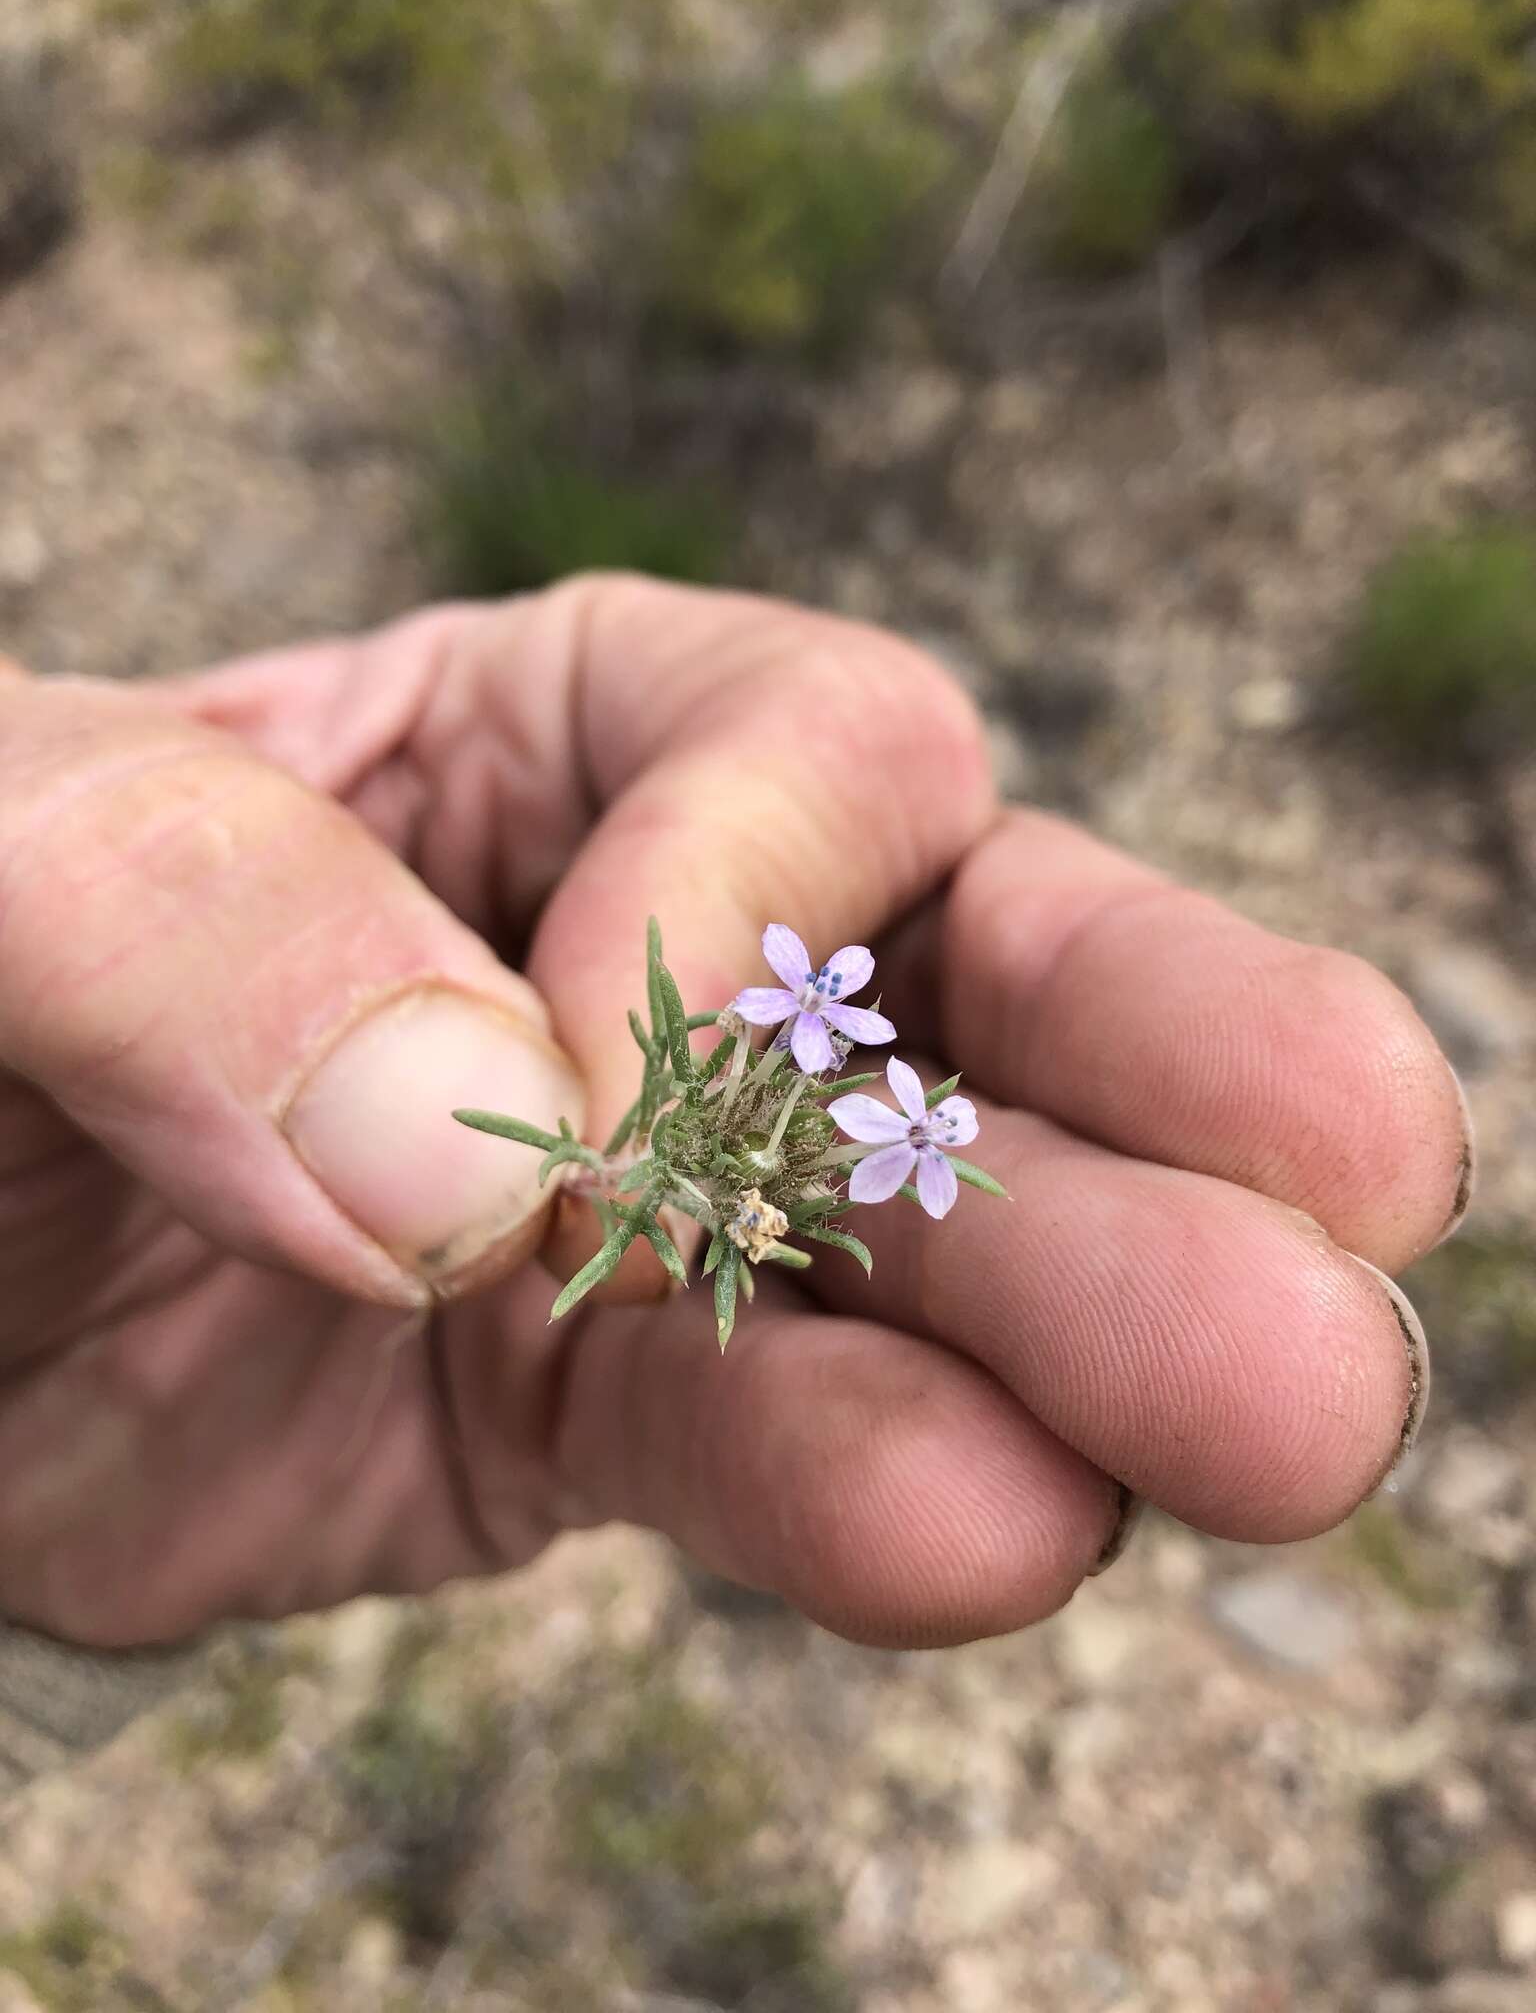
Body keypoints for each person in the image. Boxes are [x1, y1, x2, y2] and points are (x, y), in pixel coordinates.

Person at [0, 574, 1466, 1791]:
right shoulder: (749, 1057)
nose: (834, 1011)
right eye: (818, 1008)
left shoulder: (836, 1106)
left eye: (917, 1129)